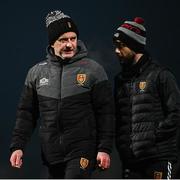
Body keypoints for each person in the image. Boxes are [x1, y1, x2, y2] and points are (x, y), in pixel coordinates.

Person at [9, 10, 115, 179]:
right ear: (52, 43)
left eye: (73, 39)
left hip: (82, 150)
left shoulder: (94, 70)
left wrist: (104, 149)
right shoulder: (36, 73)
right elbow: (26, 114)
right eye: (63, 40)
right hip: (51, 154)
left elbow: (106, 113)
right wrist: (18, 146)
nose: (69, 44)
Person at [113, 17, 180, 179]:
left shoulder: (161, 75)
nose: (116, 51)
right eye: (115, 46)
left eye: (121, 46)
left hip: (158, 159)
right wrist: (122, 145)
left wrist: (152, 135)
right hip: (131, 162)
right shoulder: (119, 80)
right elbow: (119, 119)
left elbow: (176, 113)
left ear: (135, 46)